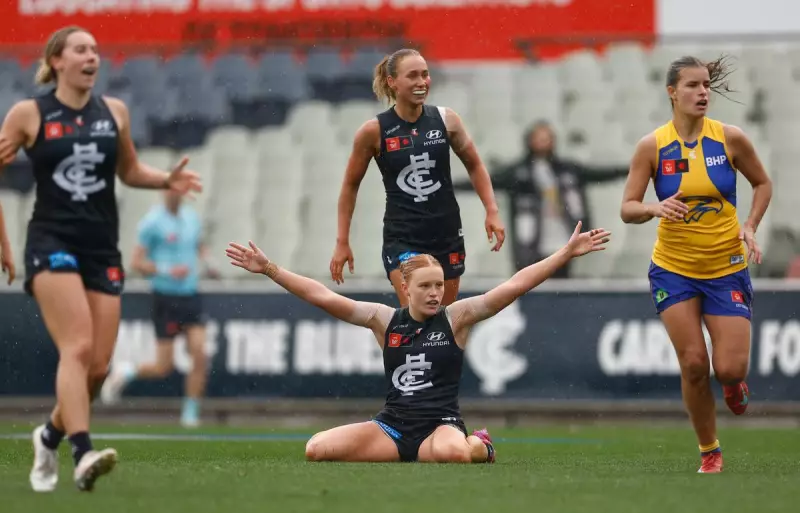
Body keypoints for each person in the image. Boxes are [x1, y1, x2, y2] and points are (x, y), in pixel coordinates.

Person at [0, 26, 201, 492]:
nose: (93, 57)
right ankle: (82, 451)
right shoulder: (28, 113)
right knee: (78, 347)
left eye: (95, 50)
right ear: (57, 61)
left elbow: (128, 170)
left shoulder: (114, 111)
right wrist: (5, 245)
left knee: (99, 367)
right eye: (81, 50)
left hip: (100, 247)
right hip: (50, 241)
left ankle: (48, 435)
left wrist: (164, 180)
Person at [227, 221, 610, 463]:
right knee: (315, 449)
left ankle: (481, 444)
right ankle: (433, 451)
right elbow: (324, 298)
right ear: (404, 288)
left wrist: (564, 253)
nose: (434, 293)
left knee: (453, 453)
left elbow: (514, 286)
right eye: (425, 286)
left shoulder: (456, 318)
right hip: (392, 427)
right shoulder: (384, 320)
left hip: (439, 425)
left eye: (439, 286)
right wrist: (271, 270)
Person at [620, 55, 772, 474]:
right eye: (692, 85)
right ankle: (710, 450)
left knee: (728, 368)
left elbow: (762, 183)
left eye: (706, 85)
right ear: (672, 92)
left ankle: (734, 384)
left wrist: (751, 226)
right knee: (692, 363)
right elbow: (627, 208)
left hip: (725, 267)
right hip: (673, 268)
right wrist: (653, 207)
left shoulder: (730, 139)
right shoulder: (652, 146)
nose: (703, 92)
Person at [329, 48, 506, 307]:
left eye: (425, 75)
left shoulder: (446, 120)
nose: (422, 82)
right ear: (392, 82)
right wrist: (342, 241)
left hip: (446, 233)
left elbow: (475, 165)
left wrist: (491, 210)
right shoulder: (374, 131)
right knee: (418, 313)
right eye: (412, 76)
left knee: (442, 322)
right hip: (404, 237)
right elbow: (350, 186)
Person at [100, 188, 219, 428]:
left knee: (200, 354)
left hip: (191, 294)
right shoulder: (151, 223)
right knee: (163, 366)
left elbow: (198, 245)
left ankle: (191, 411)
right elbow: (136, 263)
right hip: (165, 297)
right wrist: (167, 270)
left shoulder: (191, 218)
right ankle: (126, 372)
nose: (175, 193)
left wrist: (209, 262)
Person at [457, 120, 629, 275]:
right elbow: (486, 182)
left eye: (547, 138)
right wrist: (450, 186)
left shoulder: (566, 169)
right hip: (531, 238)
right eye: (539, 137)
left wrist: (633, 169)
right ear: (530, 141)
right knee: (530, 280)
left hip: (562, 235)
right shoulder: (518, 172)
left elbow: (597, 174)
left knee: (561, 280)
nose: (544, 142)